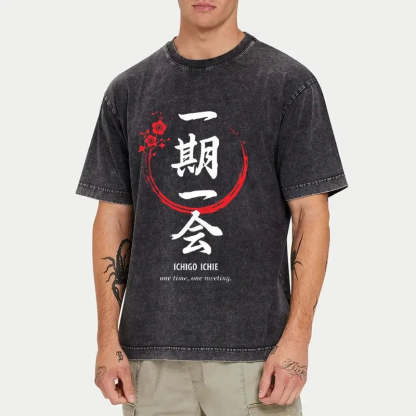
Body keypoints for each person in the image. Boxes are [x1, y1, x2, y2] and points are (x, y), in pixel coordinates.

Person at [76, 1, 348, 414]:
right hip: (150, 360)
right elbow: (112, 217)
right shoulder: (129, 91)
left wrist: (297, 339)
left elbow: (311, 215)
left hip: (257, 359)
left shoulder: (288, 85)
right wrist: (106, 340)